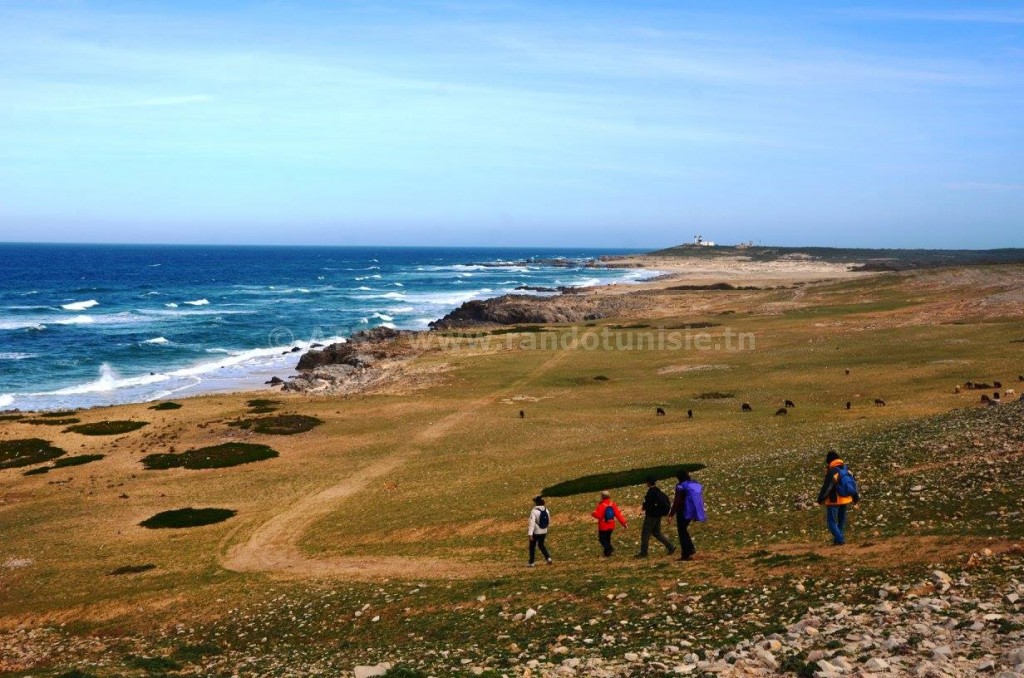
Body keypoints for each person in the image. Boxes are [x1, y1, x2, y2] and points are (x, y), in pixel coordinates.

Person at [816, 450, 860, 545]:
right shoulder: (846, 469)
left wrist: (820, 499)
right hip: (846, 498)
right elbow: (853, 484)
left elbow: (827, 487)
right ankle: (838, 539)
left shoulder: (833, 471)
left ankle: (839, 539)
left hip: (834, 500)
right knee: (841, 520)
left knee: (831, 522)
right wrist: (855, 497)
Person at [668, 470, 706, 561]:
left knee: (682, 532)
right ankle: (690, 549)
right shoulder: (693, 484)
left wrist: (671, 514)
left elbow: (676, 502)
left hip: (683, 511)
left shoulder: (680, 486)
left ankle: (686, 554)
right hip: (692, 510)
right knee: (684, 530)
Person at [636, 476, 675, 558]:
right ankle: (670, 546)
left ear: (648, 483)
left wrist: (644, 507)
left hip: (651, 516)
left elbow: (647, 504)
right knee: (657, 533)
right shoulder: (658, 491)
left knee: (645, 534)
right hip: (658, 515)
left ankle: (644, 552)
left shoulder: (650, 492)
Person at [592, 490, 627, 557]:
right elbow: (618, 515)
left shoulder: (601, 505)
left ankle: (609, 549)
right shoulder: (612, 504)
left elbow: (598, 515)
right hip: (611, 525)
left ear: (602, 497)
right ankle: (607, 554)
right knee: (607, 539)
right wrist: (624, 523)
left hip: (603, 525)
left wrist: (593, 513)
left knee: (602, 539)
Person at [527, 496, 552, 567]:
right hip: (544, 531)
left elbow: (532, 523)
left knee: (532, 547)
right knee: (541, 545)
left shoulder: (534, 511)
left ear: (536, 503)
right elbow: (548, 521)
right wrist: (545, 529)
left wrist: (530, 534)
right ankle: (548, 558)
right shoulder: (546, 510)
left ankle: (531, 562)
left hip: (536, 532)